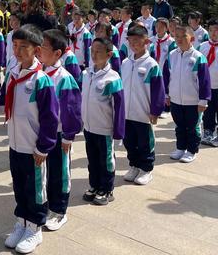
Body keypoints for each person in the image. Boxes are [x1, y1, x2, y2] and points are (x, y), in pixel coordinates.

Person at [3, 25, 58, 254]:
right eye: (15, 46)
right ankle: (22, 222)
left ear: (36, 50)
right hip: (15, 144)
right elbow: (4, 103)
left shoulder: (41, 81)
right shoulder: (12, 74)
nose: (17, 51)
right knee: (19, 186)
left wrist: (43, 148)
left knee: (35, 189)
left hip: (34, 148)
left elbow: (50, 118)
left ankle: (35, 227)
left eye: (23, 47)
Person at [40, 30, 82, 232]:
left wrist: (68, 135)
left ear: (57, 53)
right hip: (40, 133)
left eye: (44, 47)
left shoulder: (64, 78)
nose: (39, 50)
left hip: (57, 134)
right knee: (45, 173)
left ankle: (59, 210)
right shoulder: (38, 72)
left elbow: (72, 110)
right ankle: (48, 204)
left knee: (59, 173)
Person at [81, 38, 125, 206]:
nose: (94, 55)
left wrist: (118, 133)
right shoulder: (86, 74)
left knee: (106, 160)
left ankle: (107, 188)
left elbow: (119, 108)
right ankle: (94, 185)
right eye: (92, 51)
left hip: (105, 129)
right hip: (89, 127)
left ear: (109, 54)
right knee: (92, 159)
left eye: (98, 52)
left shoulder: (113, 78)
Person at [121, 25, 165, 186]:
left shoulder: (151, 65)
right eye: (130, 41)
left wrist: (155, 111)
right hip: (126, 114)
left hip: (143, 113)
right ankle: (134, 165)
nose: (133, 44)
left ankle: (146, 169)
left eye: (137, 41)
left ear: (146, 41)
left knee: (145, 143)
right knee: (129, 142)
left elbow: (158, 90)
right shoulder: (125, 62)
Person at [163, 25, 211, 163]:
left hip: (193, 101)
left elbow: (204, 81)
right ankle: (180, 148)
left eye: (183, 36)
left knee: (192, 127)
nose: (179, 39)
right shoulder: (172, 56)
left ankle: (191, 150)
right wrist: (166, 94)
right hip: (176, 99)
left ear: (192, 38)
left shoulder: (198, 57)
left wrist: (203, 101)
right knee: (179, 126)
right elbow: (167, 76)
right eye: (176, 36)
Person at [199, 18, 218, 147]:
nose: (213, 33)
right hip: (207, 86)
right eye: (211, 30)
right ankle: (208, 132)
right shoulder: (203, 46)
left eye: (216, 30)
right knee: (208, 111)